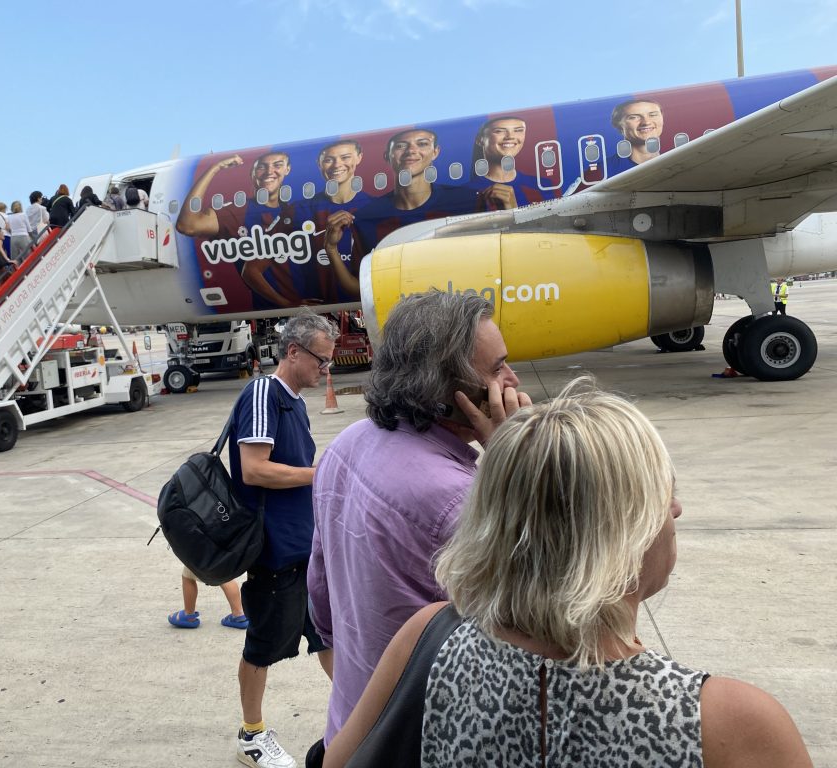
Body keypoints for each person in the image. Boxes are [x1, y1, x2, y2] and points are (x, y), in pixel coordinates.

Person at [324, 380, 814, 768]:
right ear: (621, 532)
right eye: (663, 494)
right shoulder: (730, 723)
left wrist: (527, 471)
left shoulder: (427, 636)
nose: (677, 510)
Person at [307, 291, 530, 757]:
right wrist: (516, 463)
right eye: (496, 369)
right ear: (451, 393)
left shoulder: (347, 444)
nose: (512, 380)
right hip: (422, 737)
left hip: (352, 718)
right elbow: (544, 613)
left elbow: (322, 593)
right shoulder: (457, 498)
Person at [229, 313, 338, 768]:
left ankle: (358, 714)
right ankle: (251, 733)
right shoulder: (263, 393)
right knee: (264, 644)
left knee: (329, 636)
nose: (325, 369)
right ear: (293, 352)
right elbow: (254, 468)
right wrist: (320, 474)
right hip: (276, 551)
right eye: (321, 359)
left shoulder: (295, 401)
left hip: (306, 548)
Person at [324, 129, 473, 297]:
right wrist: (331, 248)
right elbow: (360, 289)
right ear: (387, 156)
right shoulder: (368, 217)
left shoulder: (464, 201)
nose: (411, 151)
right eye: (401, 146)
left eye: (422, 144)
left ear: (435, 152)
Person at [176, 151, 302, 310]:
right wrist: (214, 168)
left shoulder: (293, 212)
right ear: (253, 173)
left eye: (277, 165)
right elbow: (188, 225)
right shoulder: (239, 211)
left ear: (287, 169)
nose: (270, 171)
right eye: (262, 167)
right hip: (267, 305)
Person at [294, 140, 368, 304]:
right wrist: (291, 302)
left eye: (345, 157)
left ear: (359, 157)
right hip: (319, 308)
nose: (337, 165)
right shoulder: (301, 210)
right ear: (319, 164)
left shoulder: (374, 207)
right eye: (329, 160)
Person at [467, 116, 549, 210]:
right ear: (479, 140)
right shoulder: (465, 192)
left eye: (518, 130)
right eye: (499, 131)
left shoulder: (544, 185)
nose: (510, 136)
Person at [166, 568, 248, 630]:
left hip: (203, 551)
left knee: (188, 575)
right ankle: (239, 614)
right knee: (225, 575)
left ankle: (188, 614)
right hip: (223, 550)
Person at [608, 99, 664, 174]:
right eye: (634, 117)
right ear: (619, 125)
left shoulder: (673, 160)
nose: (646, 122)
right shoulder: (604, 169)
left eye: (652, 115)